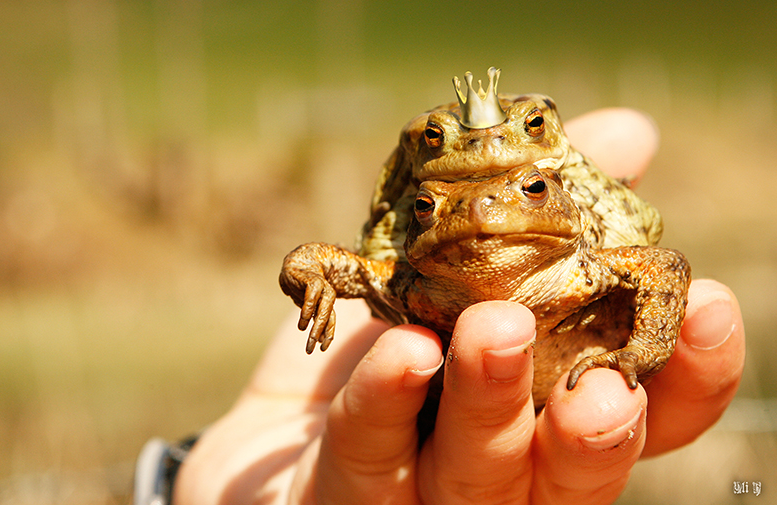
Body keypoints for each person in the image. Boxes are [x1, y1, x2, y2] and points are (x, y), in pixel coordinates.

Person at [171, 109, 745, 504]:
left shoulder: (588, 260)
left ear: (558, 193)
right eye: (429, 205)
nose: (482, 215)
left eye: (533, 190)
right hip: (436, 415)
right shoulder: (404, 277)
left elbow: (664, 267)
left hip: (570, 378)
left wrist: (645, 349)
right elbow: (312, 262)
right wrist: (307, 277)